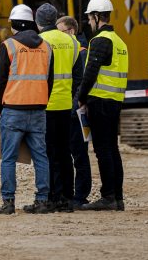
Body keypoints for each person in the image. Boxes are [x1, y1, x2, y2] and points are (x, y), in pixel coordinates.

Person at [0, 3, 53, 215]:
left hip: (13, 109)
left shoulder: (8, 46)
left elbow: (0, 81)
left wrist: (1, 106)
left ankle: (8, 202)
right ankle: (42, 201)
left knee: (9, 158)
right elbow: (50, 80)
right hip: (38, 109)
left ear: (15, 25)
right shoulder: (47, 47)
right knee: (41, 157)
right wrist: (41, 101)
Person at [77, 0, 129, 211]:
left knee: (103, 150)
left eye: (90, 18)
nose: (89, 22)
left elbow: (90, 73)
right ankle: (117, 197)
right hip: (114, 101)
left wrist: (81, 97)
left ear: (97, 17)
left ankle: (108, 197)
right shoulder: (119, 41)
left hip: (100, 102)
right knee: (112, 149)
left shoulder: (99, 41)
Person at [37, 3, 83, 212]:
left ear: (38, 22)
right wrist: (71, 97)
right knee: (65, 152)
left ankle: (51, 197)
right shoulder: (72, 42)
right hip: (65, 104)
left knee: (48, 153)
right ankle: (67, 198)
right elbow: (78, 76)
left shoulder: (40, 41)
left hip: (45, 104)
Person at [57, 15, 92, 207]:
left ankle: (80, 196)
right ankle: (69, 195)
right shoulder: (69, 50)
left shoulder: (81, 52)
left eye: (61, 31)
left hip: (76, 112)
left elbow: (82, 83)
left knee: (79, 155)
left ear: (71, 31)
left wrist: (73, 107)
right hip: (67, 109)